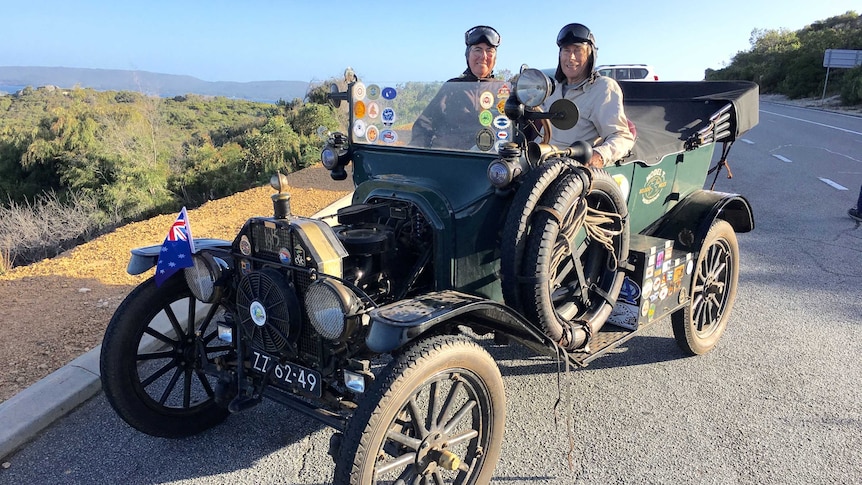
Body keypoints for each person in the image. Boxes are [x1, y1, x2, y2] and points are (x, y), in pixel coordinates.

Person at [541, 23, 634, 168]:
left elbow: (622, 136)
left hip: (570, 171)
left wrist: (599, 155)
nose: (571, 58)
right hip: (537, 163)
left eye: (578, 51)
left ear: (590, 56)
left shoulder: (603, 88)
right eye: (566, 50)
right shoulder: (552, 89)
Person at [411, 25, 501, 148]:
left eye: (489, 51)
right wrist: (416, 154)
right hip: (452, 161)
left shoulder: (504, 91)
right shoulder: (452, 88)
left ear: (495, 58)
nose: (484, 56)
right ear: (468, 55)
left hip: (492, 164)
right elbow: (423, 125)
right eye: (478, 50)